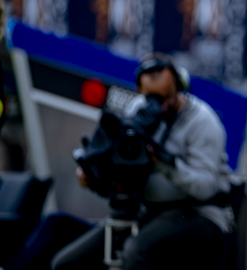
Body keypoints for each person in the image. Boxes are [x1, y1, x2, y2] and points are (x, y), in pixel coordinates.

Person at [52, 53, 233, 270]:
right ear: (140, 90)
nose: (160, 105)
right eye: (152, 97)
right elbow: (127, 164)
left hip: (200, 215)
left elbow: (204, 188)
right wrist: (95, 175)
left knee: (136, 251)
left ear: (180, 85)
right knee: (67, 263)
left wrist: (164, 163)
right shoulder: (138, 110)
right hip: (148, 212)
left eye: (165, 98)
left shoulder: (203, 121)